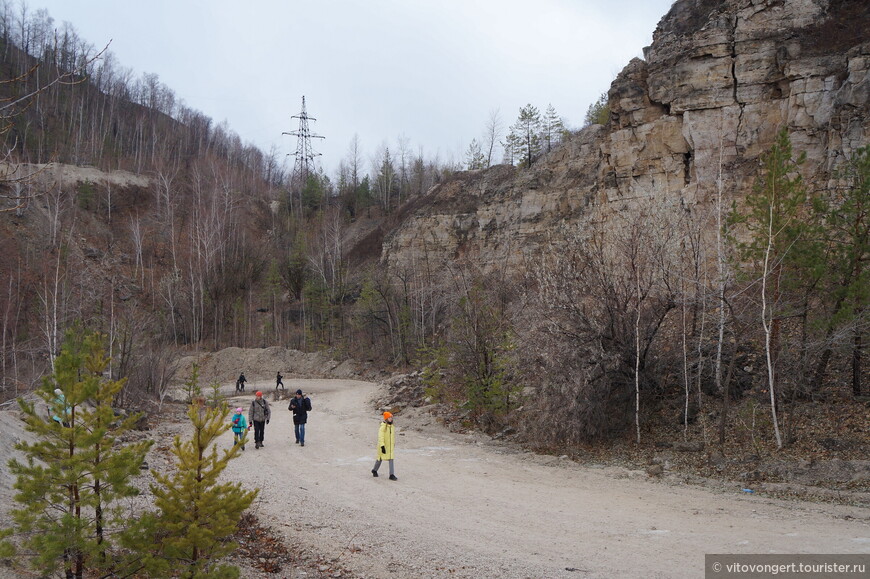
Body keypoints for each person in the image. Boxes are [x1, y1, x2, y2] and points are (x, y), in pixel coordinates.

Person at [372, 411, 397, 480]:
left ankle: (391, 475)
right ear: (386, 419)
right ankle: (374, 470)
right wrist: (382, 446)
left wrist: (393, 443)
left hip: (390, 446)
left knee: (391, 458)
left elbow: (392, 437)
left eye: (391, 417)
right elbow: (381, 437)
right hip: (383, 446)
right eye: (389, 418)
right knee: (380, 459)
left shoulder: (392, 427)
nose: (390, 419)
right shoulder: (383, 427)